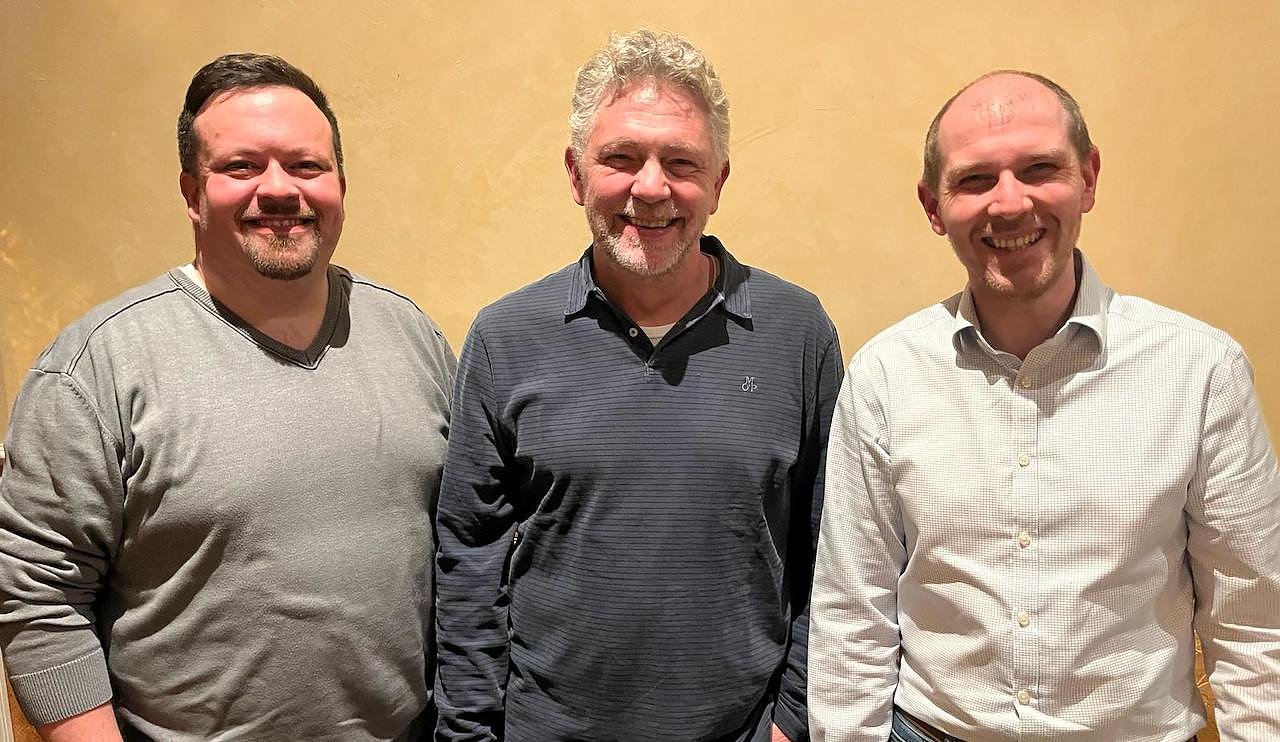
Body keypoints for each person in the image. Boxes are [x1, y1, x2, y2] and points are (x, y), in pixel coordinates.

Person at [808, 70, 1280, 741]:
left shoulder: (1202, 371)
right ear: (934, 205)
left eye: (1039, 169)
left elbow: (1255, 626)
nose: (1009, 204)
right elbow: (852, 616)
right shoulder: (886, 375)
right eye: (975, 179)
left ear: (1088, 178)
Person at [0, 53, 455, 741]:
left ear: (340, 184)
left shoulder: (411, 333)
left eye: (306, 166)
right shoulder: (95, 368)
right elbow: (38, 600)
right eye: (242, 167)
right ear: (192, 192)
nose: (280, 190)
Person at [434, 29, 841, 742]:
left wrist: (795, 715)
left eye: (681, 162)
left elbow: (834, 550)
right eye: (621, 158)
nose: (651, 188)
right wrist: (468, 732)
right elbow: (470, 560)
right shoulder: (505, 337)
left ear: (718, 181)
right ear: (576, 174)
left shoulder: (797, 332)